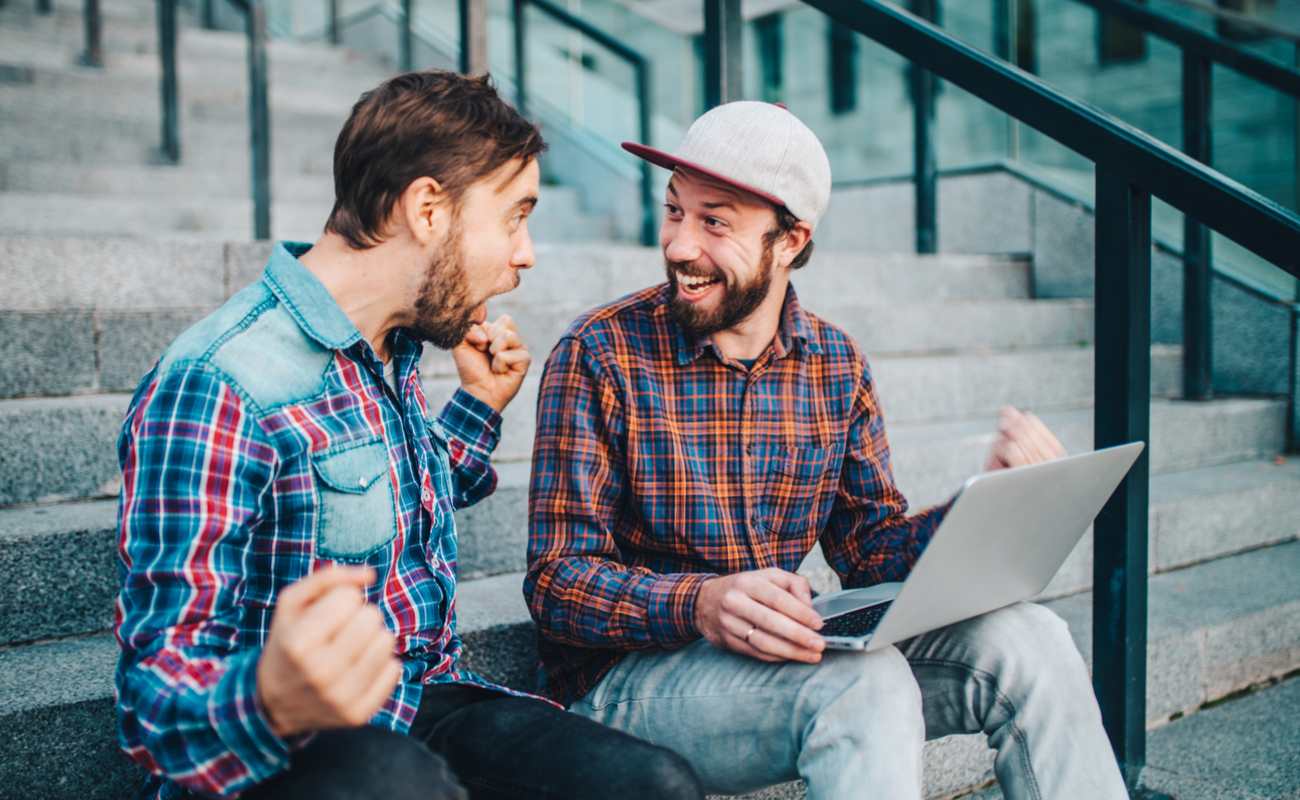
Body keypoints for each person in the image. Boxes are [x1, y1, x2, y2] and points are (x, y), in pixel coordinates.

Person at [114, 70, 702, 800]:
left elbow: (377, 503)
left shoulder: (391, 347)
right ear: (428, 208)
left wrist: (479, 407)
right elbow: (152, 703)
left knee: (650, 784)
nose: (526, 254)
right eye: (515, 216)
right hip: (287, 752)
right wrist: (269, 695)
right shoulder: (220, 383)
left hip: (421, 701)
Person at [525, 100, 1129, 799]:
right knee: (861, 684)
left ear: (790, 240)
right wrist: (699, 602)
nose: (680, 245)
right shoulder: (599, 352)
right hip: (627, 681)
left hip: (783, 657)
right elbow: (556, 582)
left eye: (714, 221)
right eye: (675, 212)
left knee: (1032, 638)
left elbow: (870, 552)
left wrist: (981, 509)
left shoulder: (835, 365)